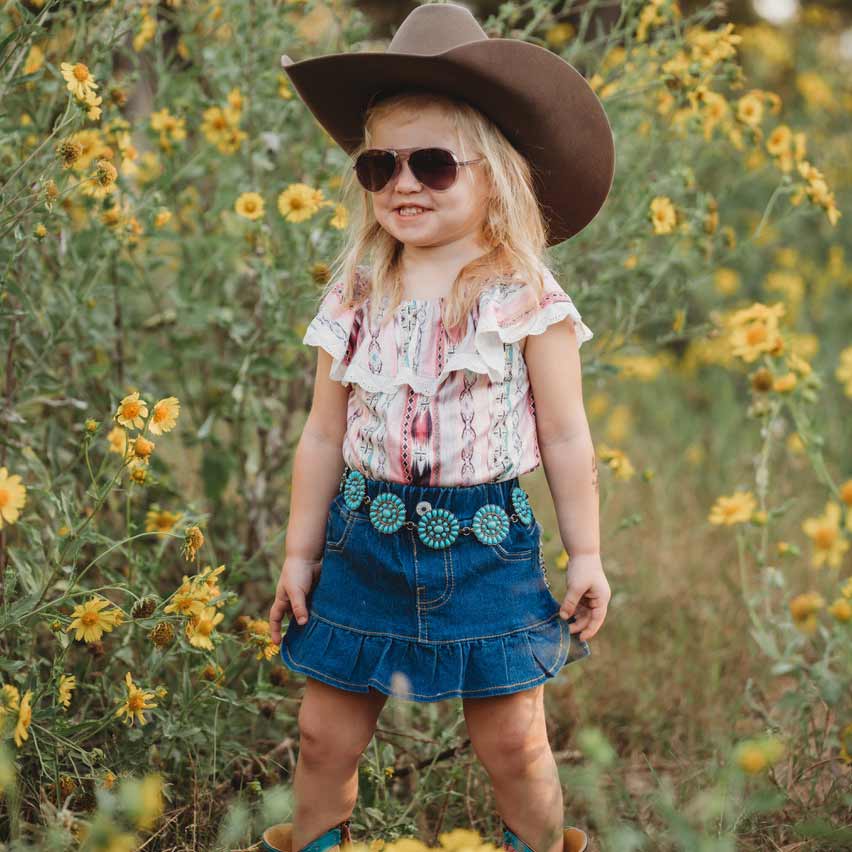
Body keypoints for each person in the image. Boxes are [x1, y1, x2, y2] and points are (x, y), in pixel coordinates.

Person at [261, 5, 615, 852]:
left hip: (486, 545)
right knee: (323, 736)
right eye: (378, 165)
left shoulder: (528, 297)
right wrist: (298, 555)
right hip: (363, 542)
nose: (402, 184)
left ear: (494, 174)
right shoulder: (355, 292)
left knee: (516, 744)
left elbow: (567, 438)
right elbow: (321, 435)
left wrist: (589, 553)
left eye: (431, 163)